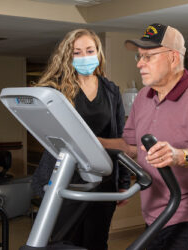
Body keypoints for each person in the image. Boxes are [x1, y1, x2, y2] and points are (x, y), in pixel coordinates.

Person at [100, 23, 188, 250]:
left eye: (148, 57)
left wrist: (178, 156)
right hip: (154, 213)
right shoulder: (142, 97)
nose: (140, 64)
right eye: (139, 57)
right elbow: (130, 146)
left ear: (173, 58)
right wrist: (92, 141)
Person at [31, 28, 133, 250]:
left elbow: (119, 137)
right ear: (68, 56)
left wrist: (123, 183)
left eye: (90, 50)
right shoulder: (56, 89)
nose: (85, 56)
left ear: (98, 53)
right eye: (77, 52)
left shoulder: (111, 90)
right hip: (66, 179)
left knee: (97, 242)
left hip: (102, 178)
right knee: (65, 242)